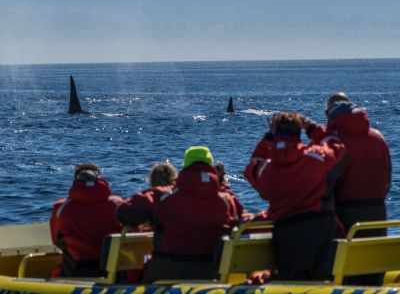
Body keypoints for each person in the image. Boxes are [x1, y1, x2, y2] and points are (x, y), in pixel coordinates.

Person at [244, 112, 346, 281]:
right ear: (298, 133)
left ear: (275, 134)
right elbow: (336, 145)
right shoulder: (315, 156)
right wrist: (312, 128)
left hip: (287, 233)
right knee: (323, 280)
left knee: (292, 281)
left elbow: (253, 164)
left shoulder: (266, 170)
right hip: (320, 229)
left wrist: (269, 137)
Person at [303, 93, 391, 285]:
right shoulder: (378, 138)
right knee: (372, 274)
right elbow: (388, 179)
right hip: (378, 216)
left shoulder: (336, 142)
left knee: (343, 273)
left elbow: (324, 184)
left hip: (345, 219)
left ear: (330, 114)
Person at [118, 146, 240, 282]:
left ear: (185, 166)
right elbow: (240, 219)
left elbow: (124, 213)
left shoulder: (163, 197)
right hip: (212, 272)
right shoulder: (227, 199)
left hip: (166, 271)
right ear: (210, 166)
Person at [50, 163, 123, 277]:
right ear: (99, 179)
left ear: (75, 181)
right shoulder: (118, 204)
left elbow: (56, 240)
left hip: (77, 269)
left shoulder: (60, 207)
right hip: (116, 270)